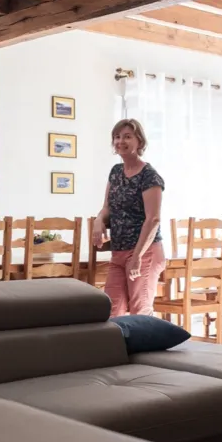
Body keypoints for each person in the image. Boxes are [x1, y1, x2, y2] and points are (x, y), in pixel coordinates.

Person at [92, 119, 166, 317]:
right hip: (118, 252)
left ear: (139, 141)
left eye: (127, 137)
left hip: (144, 251)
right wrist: (99, 220)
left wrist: (137, 257)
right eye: (117, 137)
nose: (120, 141)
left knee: (140, 311)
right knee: (111, 312)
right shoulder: (116, 172)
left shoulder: (150, 176)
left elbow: (153, 219)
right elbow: (107, 207)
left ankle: (148, 340)